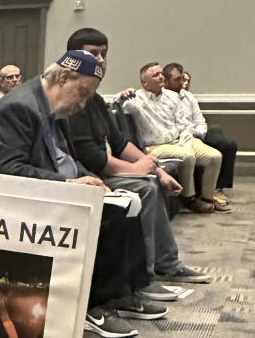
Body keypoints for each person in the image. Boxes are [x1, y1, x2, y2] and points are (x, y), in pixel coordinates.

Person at [0, 50, 151, 338]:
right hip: (25, 204)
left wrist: (93, 180)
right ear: (63, 77)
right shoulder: (19, 107)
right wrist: (70, 183)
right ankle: (93, 306)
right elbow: (8, 171)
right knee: (113, 218)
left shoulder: (54, 108)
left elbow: (67, 158)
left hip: (57, 189)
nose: (82, 104)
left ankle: (123, 293)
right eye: (82, 93)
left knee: (128, 204)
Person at [64, 29, 210, 288]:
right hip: (86, 176)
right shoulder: (72, 99)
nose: (100, 59)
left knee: (154, 181)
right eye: (93, 53)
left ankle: (167, 263)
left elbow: (120, 143)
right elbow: (92, 158)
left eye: (104, 54)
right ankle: (145, 275)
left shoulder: (95, 99)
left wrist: (155, 168)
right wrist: (139, 171)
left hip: (103, 168)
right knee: (145, 188)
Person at [117, 64, 230, 214]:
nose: (161, 77)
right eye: (155, 75)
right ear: (144, 82)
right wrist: (122, 95)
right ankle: (188, 198)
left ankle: (208, 198)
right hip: (156, 146)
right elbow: (117, 105)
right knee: (187, 156)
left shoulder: (173, 96)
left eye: (161, 73)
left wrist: (186, 143)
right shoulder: (135, 99)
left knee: (214, 156)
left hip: (180, 140)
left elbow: (183, 124)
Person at [164, 63, 238, 205]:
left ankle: (211, 194)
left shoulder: (188, 97)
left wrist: (197, 133)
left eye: (186, 81)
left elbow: (201, 122)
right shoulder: (162, 97)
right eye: (179, 80)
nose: (183, 84)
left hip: (196, 134)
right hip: (178, 137)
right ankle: (190, 199)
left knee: (223, 143)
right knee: (190, 155)